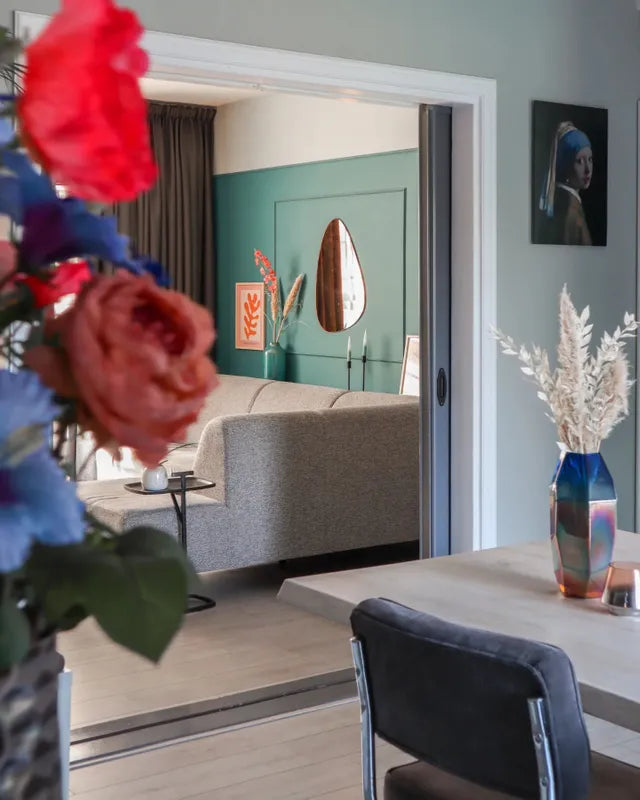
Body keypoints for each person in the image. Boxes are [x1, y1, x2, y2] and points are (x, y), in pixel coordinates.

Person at [538, 121, 593, 245]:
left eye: (590, 159)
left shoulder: (565, 202)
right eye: (579, 161)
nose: (588, 170)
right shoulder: (571, 211)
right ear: (565, 165)